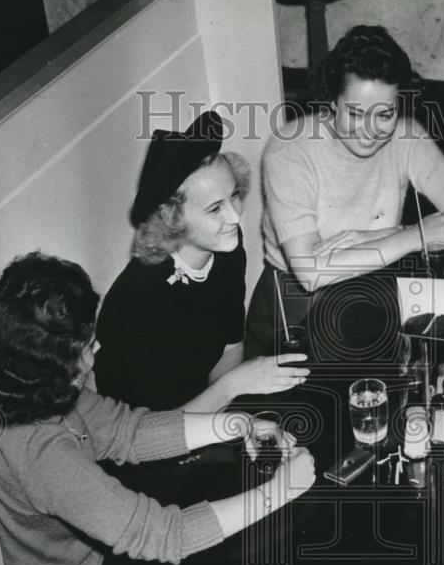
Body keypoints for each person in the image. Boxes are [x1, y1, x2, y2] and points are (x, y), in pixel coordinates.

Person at [0, 252, 321, 565]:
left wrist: (237, 425)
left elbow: (127, 431)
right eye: (85, 345)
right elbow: (162, 534)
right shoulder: (41, 453)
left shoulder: (23, 390)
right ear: (51, 365)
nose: (95, 350)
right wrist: (278, 492)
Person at [244, 24, 444, 358]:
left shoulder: (407, 138)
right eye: (356, 113)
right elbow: (311, 272)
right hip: (296, 306)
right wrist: (415, 236)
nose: (370, 131)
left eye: (385, 113)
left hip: (378, 280)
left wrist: (384, 234)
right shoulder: (289, 150)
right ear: (332, 100)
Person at [94, 110, 309, 413]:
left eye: (234, 196)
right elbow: (154, 429)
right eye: (214, 209)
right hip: (147, 437)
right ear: (172, 217)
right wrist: (236, 388)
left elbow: (230, 349)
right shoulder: (140, 298)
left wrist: (235, 408)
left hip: (207, 408)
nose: (234, 217)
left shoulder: (227, 254)